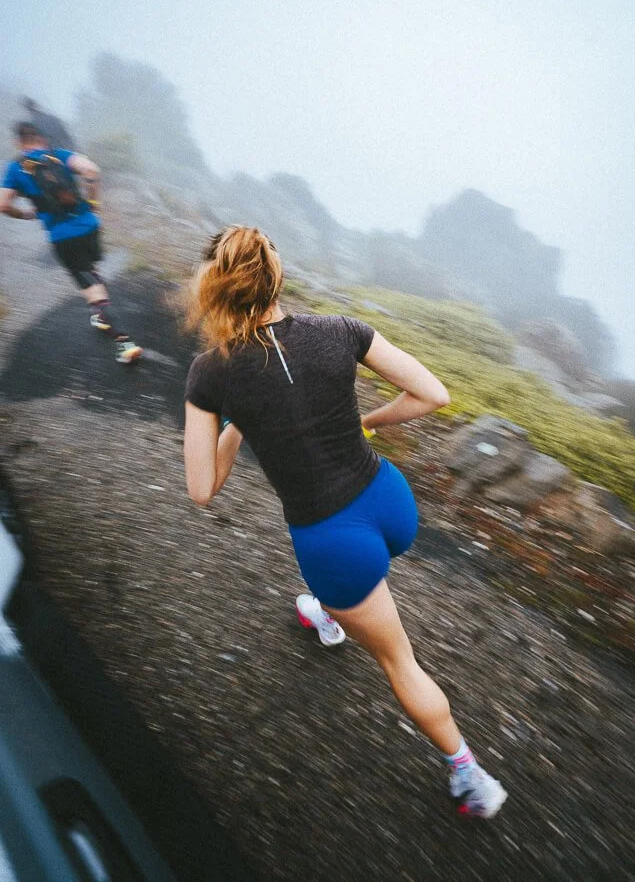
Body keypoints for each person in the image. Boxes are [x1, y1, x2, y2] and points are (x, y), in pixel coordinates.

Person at [183, 225, 507, 819]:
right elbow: (432, 394)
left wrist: (238, 423)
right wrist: (368, 424)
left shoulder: (212, 373)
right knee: (345, 597)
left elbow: (202, 489)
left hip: (334, 540)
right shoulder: (340, 330)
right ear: (277, 277)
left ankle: (471, 774)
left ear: (214, 290)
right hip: (391, 505)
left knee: (398, 661)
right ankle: (327, 614)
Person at [0, 122, 142, 364]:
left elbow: (3, 204)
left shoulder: (16, 168)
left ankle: (123, 341)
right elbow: (92, 171)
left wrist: (24, 214)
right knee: (90, 271)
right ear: (41, 138)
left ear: (19, 142)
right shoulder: (58, 156)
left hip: (63, 236)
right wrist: (94, 205)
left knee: (90, 288)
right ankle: (100, 313)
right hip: (90, 227)